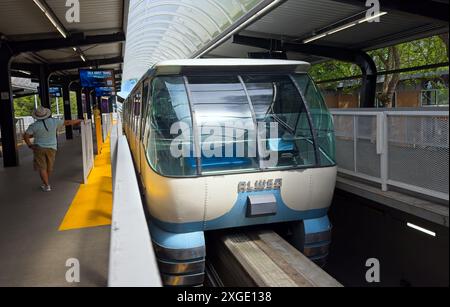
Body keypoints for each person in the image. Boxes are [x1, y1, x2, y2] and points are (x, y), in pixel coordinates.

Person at [23, 106, 82, 192]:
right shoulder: (54, 121)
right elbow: (68, 122)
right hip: (52, 148)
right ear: (46, 114)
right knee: (49, 167)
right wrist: (79, 120)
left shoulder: (34, 125)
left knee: (42, 167)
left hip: (39, 148)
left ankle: (47, 185)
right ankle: (46, 182)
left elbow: (26, 135)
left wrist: (29, 145)